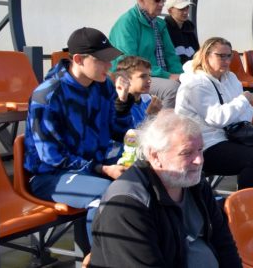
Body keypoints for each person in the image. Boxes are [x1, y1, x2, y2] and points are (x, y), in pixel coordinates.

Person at [89, 111, 242, 268]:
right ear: (155, 156)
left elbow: (224, 244)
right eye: (186, 153)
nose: (199, 160)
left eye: (200, 150)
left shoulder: (196, 185)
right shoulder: (126, 205)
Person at [24, 27, 132, 245]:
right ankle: (98, 259)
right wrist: (101, 169)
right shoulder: (48, 95)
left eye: (110, 59)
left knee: (152, 176)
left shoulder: (103, 87)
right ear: (78, 59)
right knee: (106, 193)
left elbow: (118, 131)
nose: (109, 65)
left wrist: (122, 104)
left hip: (95, 166)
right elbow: (52, 157)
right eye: (102, 59)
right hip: (50, 177)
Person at [175, 37, 253, 199]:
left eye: (229, 56)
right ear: (206, 56)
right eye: (220, 56)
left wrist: (237, 109)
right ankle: (245, 213)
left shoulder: (230, 78)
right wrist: (243, 100)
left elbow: (247, 113)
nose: (226, 60)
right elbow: (216, 118)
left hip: (230, 137)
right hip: (203, 145)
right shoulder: (195, 84)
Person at [110, 0, 182, 108]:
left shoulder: (159, 24)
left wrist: (181, 75)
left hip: (154, 75)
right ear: (141, 0)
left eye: (163, 0)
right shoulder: (127, 22)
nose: (161, 4)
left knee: (191, 86)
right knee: (172, 88)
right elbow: (129, 62)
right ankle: (158, 125)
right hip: (132, 76)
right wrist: (168, 76)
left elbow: (171, 55)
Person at [112, 55, 163, 126]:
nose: (149, 80)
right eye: (143, 76)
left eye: (149, 75)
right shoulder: (119, 106)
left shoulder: (148, 100)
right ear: (125, 79)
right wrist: (150, 116)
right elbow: (128, 134)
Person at [163, 0, 199, 65]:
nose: (186, 12)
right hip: (173, 74)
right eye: (181, 9)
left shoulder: (190, 30)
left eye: (187, 7)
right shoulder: (164, 30)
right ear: (170, 11)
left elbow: (198, 55)